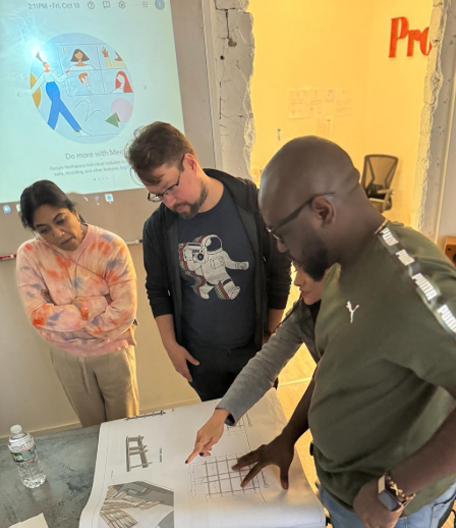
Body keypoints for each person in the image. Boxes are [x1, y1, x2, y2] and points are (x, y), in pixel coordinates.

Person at [234, 136, 456, 528]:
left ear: (323, 211)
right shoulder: (336, 266)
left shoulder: (412, 283)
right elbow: (334, 369)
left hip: (394, 510)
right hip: (342, 490)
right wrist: (289, 437)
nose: (282, 249)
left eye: (280, 234)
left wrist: (394, 490)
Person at [125, 122, 291, 401]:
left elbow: (279, 270)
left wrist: (271, 336)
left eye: (170, 188)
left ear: (189, 163)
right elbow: (157, 289)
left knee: (261, 428)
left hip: (255, 350)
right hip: (201, 357)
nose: (168, 201)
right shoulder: (158, 227)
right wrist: (170, 345)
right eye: (158, 195)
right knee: (218, 432)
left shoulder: (253, 204)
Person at [16, 180, 140, 427]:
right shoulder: (30, 254)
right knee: (91, 430)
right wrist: (97, 304)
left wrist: (69, 324)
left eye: (60, 220)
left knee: (126, 428)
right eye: (44, 230)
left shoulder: (110, 246)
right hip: (67, 358)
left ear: (73, 211)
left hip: (113, 351)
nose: (57, 234)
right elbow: (39, 315)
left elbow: (123, 312)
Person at [186, 262, 323, 463]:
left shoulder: (362, 317)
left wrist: (288, 436)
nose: (296, 280)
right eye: (295, 267)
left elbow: (325, 380)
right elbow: (266, 363)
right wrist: (221, 415)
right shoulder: (305, 310)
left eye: (306, 269)